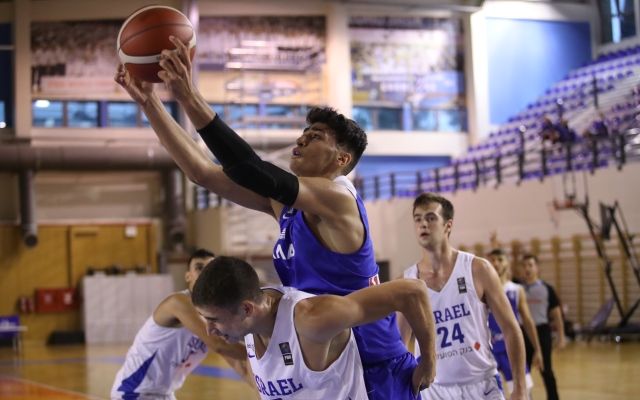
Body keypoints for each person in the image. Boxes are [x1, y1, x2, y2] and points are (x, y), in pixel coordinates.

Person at [115, 35, 435, 399]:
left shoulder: (338, 198)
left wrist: (189, 96)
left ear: (341, 160)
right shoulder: (289, 206)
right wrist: (150, 103)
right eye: (303, 133)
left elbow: (250, 168)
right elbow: (202, 173)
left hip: (369, 361)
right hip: (320, 353)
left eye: (315, 136)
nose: (301, 140)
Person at [191, 255, 436, 400]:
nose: (209, 330)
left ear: (247, 309)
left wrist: (428, 364)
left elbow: (412, 292)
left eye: (214, 319)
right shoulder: (248, 323)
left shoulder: (311, 319)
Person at [397, 193, 527, 400]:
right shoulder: (406, 283)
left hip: (481, 385)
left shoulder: (478, 269)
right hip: (433, 390)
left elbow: (511, 329)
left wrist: (520, 388)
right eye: (418, 219)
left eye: (431, 218)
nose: (423, 224)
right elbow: (400, 347)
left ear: (448, 226)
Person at [111, 249, 251, 399]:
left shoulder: (214, 313)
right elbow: (219, 345)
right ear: (188, 276)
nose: (205, 274)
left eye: (210, 269)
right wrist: (264, 354)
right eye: (199, 268)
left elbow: (238, 363)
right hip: (133, 392)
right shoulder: (178, 302)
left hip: (164, 394)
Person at [487, 248, 544, 398]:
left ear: (507, 263)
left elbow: (528, 321)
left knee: (524, 394)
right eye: (492, 260)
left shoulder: (516, 290)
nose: (496, 263)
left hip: (511, 348)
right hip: (489, 351)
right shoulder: (482, 290)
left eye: (500, 260)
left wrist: (537, 349)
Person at [520, 253, 566, 400]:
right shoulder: (518, 289)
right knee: (523, 372)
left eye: (530, 265)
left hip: (542, 331)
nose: (527, 268)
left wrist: (561, 337)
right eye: (524, 266)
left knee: (546, 370)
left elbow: (557, 315)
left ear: (537, 268)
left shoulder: (547, 289)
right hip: (523, 333)